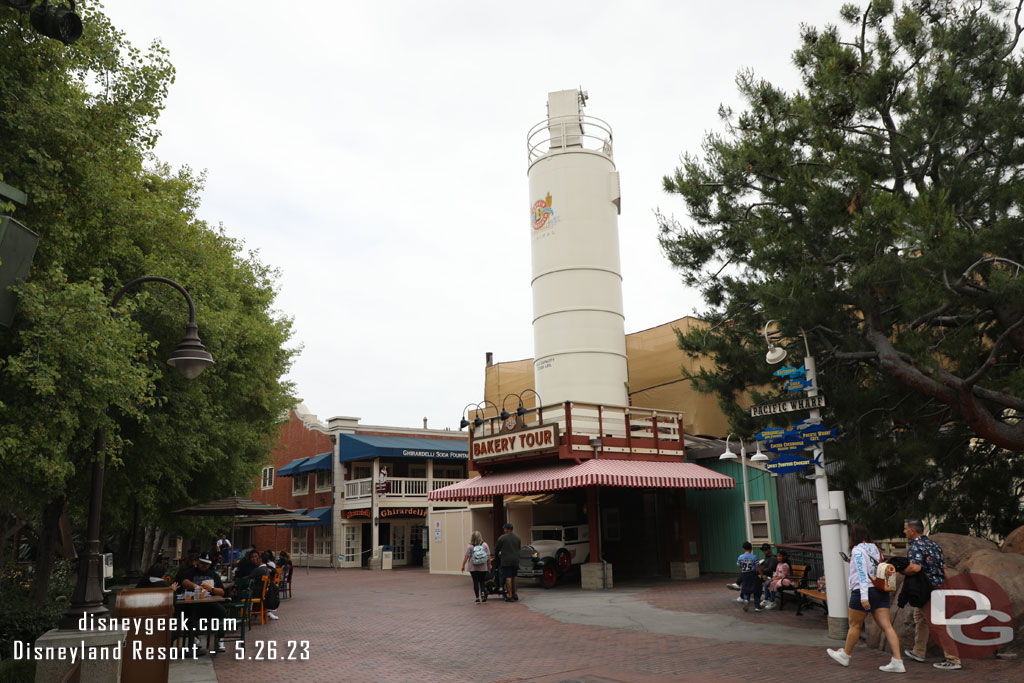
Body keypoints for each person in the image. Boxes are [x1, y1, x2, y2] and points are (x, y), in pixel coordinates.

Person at [826, 523, 904, 673]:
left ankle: (845, 655)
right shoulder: (875, 549)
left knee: (854, 625)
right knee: (887, 626)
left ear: (853, 536)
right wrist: (851, 562)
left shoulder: (857, 550)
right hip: (880, 590)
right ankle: (897, 660)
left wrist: (863, 596)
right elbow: (872, 567)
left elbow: (862, 573)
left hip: (864, 590)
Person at [901, 519, 961, 671]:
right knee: (920, 618)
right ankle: (919, 651)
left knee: (938, 624)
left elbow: (915, 568)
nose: (904, 531)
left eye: (905, 529)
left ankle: (953, 659)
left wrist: (901, 570)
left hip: (926, 590)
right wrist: (950, 587)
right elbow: (944, 567)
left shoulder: (916, 546)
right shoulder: (934, 545)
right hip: (938, 587)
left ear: (913, 531)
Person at [177, 553, 228, 653]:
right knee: (186, 613)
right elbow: (184, 581)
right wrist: (195, 586)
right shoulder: (191, 572)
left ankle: (220, 639)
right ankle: (194, 638)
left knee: (222, 611)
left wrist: (211, 589)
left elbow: (222, 592)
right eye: (202, 563)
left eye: (207, 564)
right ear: (198, 563)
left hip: (209, 604)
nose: (204, 566)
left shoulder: (213, 574)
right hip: (193, 603)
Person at [460, 530, 491, 603]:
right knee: (482, 581)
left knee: (475, 582)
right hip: (483, 567)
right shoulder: (485, 545)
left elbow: (466, 556)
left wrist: (463, 565)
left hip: (473, 567)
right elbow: (488, 555)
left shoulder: (470, 546)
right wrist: (489, 564)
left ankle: (477, 598)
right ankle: (483, 596)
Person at [494, 522, 521, 602]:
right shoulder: (518, 537)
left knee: (508, 577)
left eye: (504, 528)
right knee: (515, 576)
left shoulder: (502, 538)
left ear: (506, 529)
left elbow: (497, 549)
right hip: (516, 560)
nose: (504, 530)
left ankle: (510, 595)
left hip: (506, 560)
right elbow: (518, 548)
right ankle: (516, 593)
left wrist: (496, 558)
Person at [249, 550, 281, 620]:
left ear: (260, 559)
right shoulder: (264, 568)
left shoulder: (259, 569)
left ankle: (248, 611)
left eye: (256, 558)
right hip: (264, 592)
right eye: (252, 557)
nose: (255, 559)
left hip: (258, 593)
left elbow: (249, 577)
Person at [736, 542, 762, 612]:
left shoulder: (740, 557)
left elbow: (738, 566)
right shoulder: (754, 557)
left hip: (744, 575)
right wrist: (761, 574)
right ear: (751, 549)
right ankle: (757, 607)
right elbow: (758, 566)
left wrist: (744, 565)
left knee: (746, 589)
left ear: (743, 549)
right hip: (753, 574)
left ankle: (746, 600)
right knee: (756, 590)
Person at [756, 543, 777, 607]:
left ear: (769, 549)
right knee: (752, 578)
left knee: (758, 580)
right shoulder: (767, 558)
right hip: (765, 575)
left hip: (770, 576)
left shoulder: (772, 558)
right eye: (763, 550)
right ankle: (762, 598)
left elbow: (770, 570)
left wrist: (761, 572)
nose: (764, 551)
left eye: (765, 550)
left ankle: (766, 598)